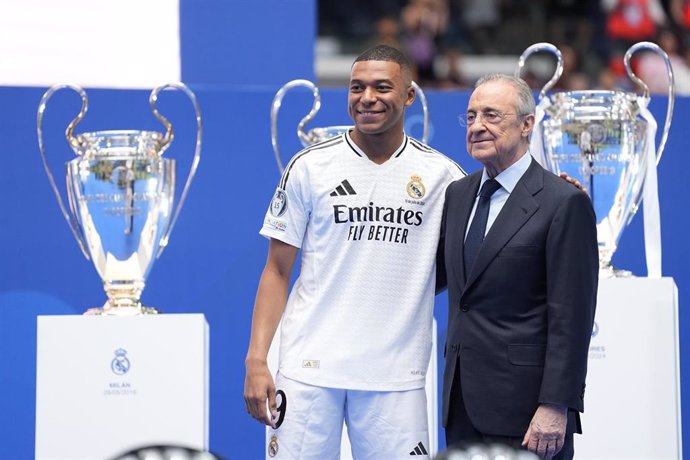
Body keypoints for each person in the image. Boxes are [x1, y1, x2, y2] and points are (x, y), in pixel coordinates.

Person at [244, 44, 466, 459]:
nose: (367, 98)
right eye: (356, 87)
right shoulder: (309, 166)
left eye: (383, 87)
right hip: (308, 373)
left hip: (397, 378)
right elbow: (276, 271)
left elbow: (485, 246)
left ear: (409, 95)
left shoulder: (443, 177)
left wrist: (561, 197)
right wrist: (256, 360)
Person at [437, 74, 598, 460]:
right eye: (471, 116)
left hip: (528, 415)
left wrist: (556, 404)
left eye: (491, 115)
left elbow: (571, 318)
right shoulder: (458, 195)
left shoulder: (563, 202)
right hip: (460, 405)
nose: (477, 126)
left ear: (527, 124)